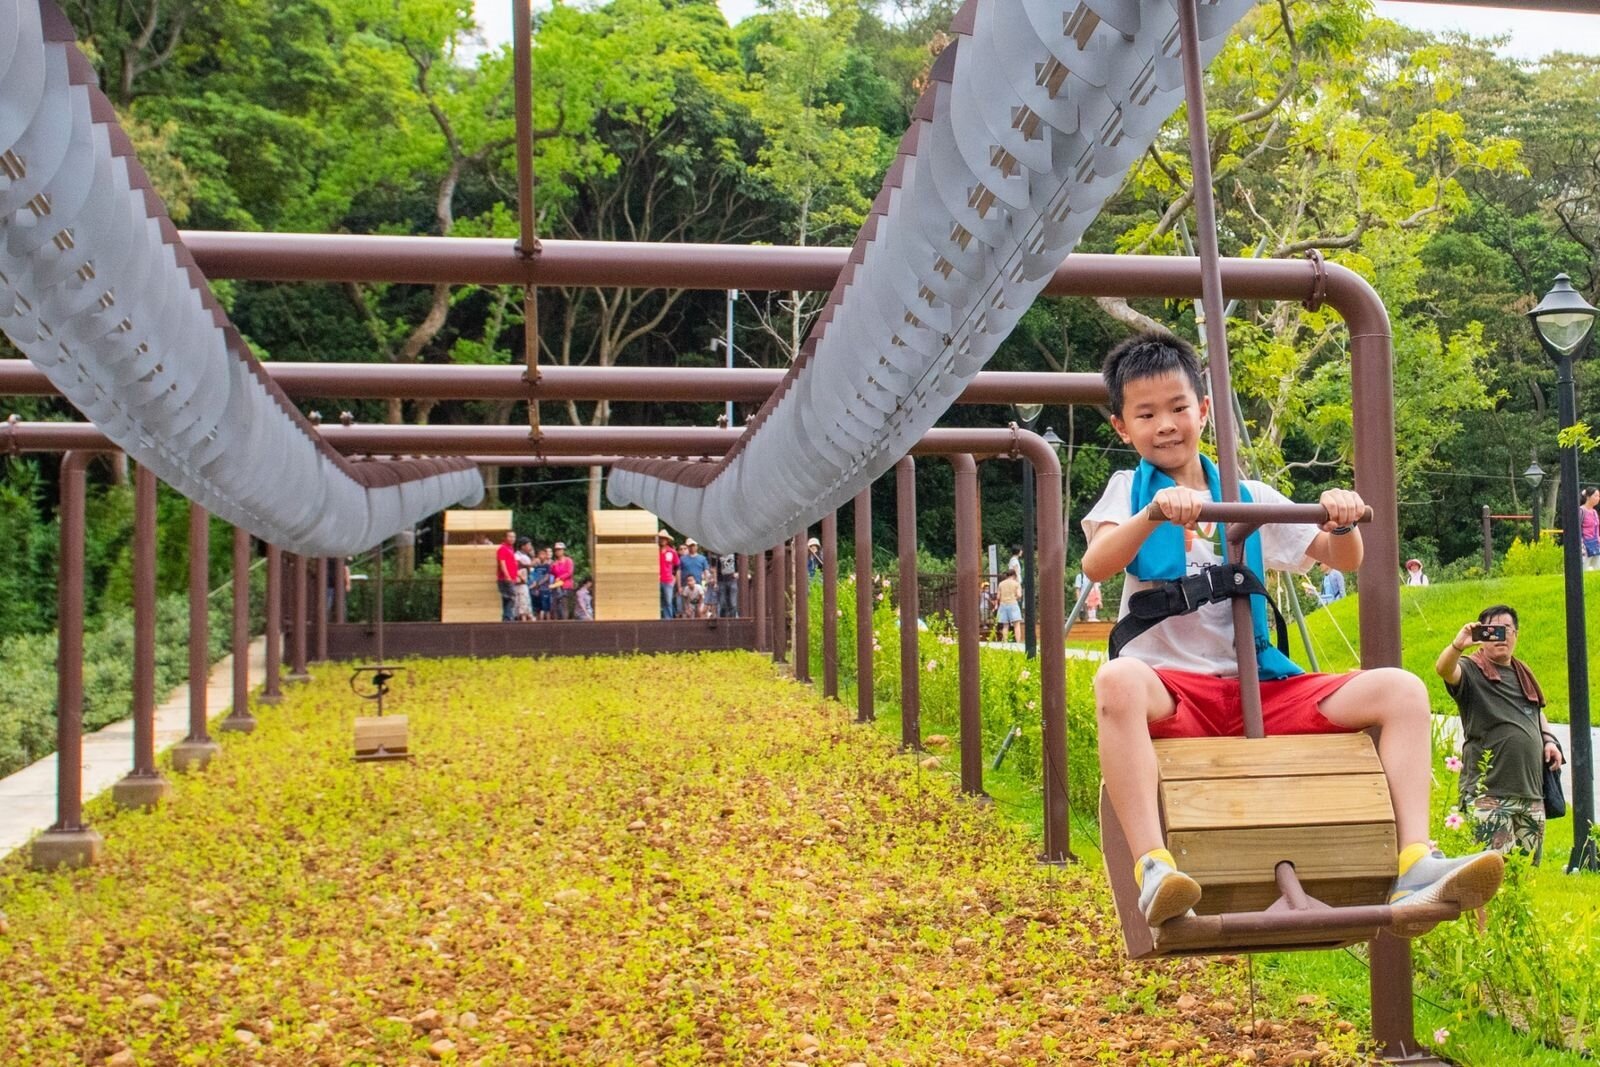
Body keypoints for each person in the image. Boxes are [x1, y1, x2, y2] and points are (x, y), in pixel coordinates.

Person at [1082, 330, 1502, 930]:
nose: (1166, 425)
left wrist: (1341, 518)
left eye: (1178, 407)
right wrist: (1154, 514)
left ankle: (1414, 861)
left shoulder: (1248, 495)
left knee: (1402, 690)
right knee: (1117, 680)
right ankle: (1154, 866)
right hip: (1175, 692)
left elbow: (1341, 558)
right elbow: (1098, 563)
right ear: (1123, 428)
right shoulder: (1128, 491)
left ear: (1204, 410)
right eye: (1146, 415)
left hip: (1260, 689)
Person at [1435, 605, 1563, 862]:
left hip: (1530, 793)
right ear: (1481, 636)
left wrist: (1549, 740)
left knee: (1525, 872)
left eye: (1506, 629)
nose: (1500, 636)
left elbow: (1535, 710)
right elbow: (1444, 670)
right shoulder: (1470, 669)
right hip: (1489, 794)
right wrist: (1458, 645)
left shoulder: (1522, 672)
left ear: (1516, 634)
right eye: (1492, 630)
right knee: (1493, 870)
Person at [678, 539, 710, 611]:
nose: (692, 547)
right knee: (686, 608)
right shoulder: (682, 559)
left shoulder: (702, 558)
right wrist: (679, 586)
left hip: (698, 586)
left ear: (696, 546)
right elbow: (678, 572)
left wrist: (705, 585)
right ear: (688, 547)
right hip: (685, 586)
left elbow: (706, 572)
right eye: (690, 546)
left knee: (699, 608)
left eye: (693, 545)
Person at [495, 529, 519, 622]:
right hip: (505, 578)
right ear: (505, 538)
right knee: (511, 596)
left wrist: (516, 576)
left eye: (514, 537)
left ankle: (506, 617)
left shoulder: (511, 549)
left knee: (507, 598)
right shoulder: (503, 548)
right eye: (510, 536)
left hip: (511, 577)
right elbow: (502, 563)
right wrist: (507, 575)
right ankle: (508, 617)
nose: (512, 538)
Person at [995, 566, 1023, 644]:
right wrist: (1015, 597)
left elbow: (998, 596)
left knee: (1005, 625)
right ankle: (1018, 642)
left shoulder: (1001, 584)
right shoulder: (1016, 584)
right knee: (1016, 625)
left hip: (1003, 605)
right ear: (1014, 575)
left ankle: (1005, 642)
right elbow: (1019, 595)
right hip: (1013, 604)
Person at [549, 541, 575, 619]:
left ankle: (565, 622)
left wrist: (560, 578)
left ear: (563, 550)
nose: (558, 551)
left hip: (566, 585)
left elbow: (569, 572)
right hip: (556, 585)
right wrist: (552, 567)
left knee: (564, 604)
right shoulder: (555, 562)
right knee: (555, 605)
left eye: (560, 549)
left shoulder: (568, 560)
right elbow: (552, 573)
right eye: (556, 550)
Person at [658, 530, 680, 619]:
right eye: (661, 538)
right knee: (658, 600)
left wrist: (674, 577)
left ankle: (668, 619)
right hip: (656, 579)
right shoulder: (655, 551)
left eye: (664, 538)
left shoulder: (672, 552)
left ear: (667, 540)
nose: (662, 540)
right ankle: (659, 618)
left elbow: (677, 565)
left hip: (667, 580)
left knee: (668, 601)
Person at [512, 538, 534, 622]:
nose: (530, 547)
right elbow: (515, 567)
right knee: (521, 604)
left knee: (524, 603)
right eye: (528, 545)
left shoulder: (526, 557)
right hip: (519, 583)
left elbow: (530, 570)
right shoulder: (517, 556)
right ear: (522, 546)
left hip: (524, 583)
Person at [528, 547, 552, 621]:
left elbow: (547, 577)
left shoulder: (547, 566)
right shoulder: (536, 567)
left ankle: (549, 623)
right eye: (540, 554)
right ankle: (538, 624)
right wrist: (534, 585)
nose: (541, 556)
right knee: (538, 608)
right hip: (537, 591)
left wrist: (538, 584)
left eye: (543, 554)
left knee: (546, 608)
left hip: (545, 589)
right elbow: (534, 576)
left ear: (546, 555)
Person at [1581, 486, 1600, 572]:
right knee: (1584, 569)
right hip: (1584, 546)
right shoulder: (1581, 511)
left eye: (1599, 496)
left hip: (1595, 544)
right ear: (1588, 497)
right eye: (1595, 496)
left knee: (1597, 569)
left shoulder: (1594, 512)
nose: (1598, 498)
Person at [717, 551, 740, 617]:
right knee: (722, 603)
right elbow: (715, 568)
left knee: (733, 603)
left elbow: (738, 562)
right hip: (721, 581)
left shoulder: (734, 554)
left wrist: (737, 572)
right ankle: (723, 619)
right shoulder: (718, 554)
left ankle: (732, 619)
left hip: (732, 580)